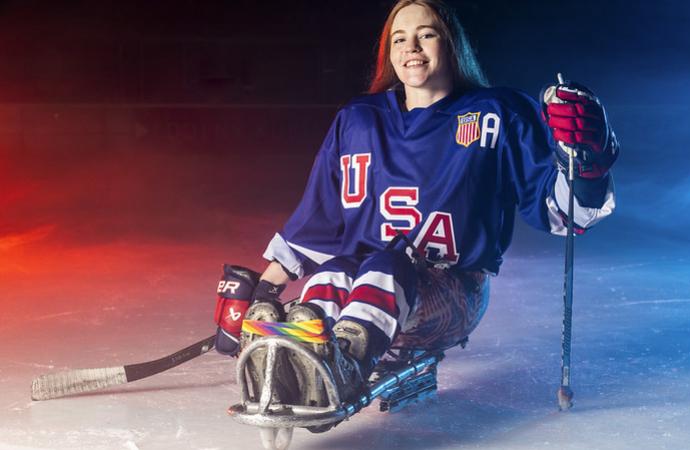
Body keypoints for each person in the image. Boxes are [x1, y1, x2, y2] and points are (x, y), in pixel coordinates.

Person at [213, 0, 617, 417]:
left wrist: (588, 161)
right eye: (400, 39)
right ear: (388, 52)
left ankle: (340, 365)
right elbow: (320, 222)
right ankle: (293, 356)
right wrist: (263, 292)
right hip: (361, 282)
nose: (412, 48)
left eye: (427, 34)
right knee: (337, 269)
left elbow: (562, 213)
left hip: (452, 291)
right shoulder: (358, 119)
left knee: (384, 266)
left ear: (452, 44)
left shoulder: (499, 113)